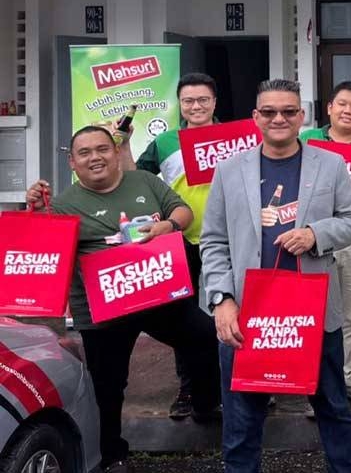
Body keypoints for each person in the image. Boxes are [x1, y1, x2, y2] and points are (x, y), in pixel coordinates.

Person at [26, 126, 221, 473]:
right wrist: (37, 212)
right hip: (102, 311)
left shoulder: (144, 180)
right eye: (84, 153)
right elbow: (41, 250)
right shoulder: (63, 204)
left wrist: (170, 226)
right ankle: (112, 454)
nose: (95, 157)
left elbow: (183, 212)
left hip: (156, 293)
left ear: (116, 153)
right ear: (72, 162)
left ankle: (206, 405)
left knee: (208, 337)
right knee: (108, 385)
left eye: (102, 149)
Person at [200, 79, 351, 473]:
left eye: (289, 111)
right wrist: (221, 300)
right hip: (246, 314)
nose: (279, 119)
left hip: (313, 312)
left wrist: (315, 234)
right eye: (269, 112)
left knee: (334, 410)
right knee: (241, 422)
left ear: (302, 116)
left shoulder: (331, 164)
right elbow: (213, 242)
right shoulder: (228, 170)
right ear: (255, 117)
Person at [117, 72, 222, 419]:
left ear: (214, 102)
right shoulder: (165, 142)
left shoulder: (236, 138)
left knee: (237, 310)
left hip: (230, 238)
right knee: (184, 317)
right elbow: (136, 179)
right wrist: (124, 145)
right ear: (181, 104)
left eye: (203, 99)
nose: (196, 106)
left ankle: (240, 382)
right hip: (181, 238)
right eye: (189, 100)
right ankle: (189, 388)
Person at [300, 80, 351, 408]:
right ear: (329, 108)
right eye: (342, 104)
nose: (348, 110)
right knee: (309, 311)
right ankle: (309, 381)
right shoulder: (305, 141)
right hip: (310, 237)